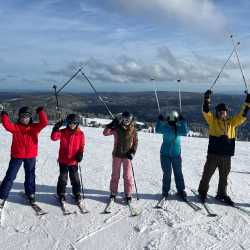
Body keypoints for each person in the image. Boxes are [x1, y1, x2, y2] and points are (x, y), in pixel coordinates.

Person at [198, 90, 250, 205]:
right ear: (217, 113)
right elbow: (206, 111)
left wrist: (248, 101)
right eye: (220, 111)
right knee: (207, 174)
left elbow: (242, 115)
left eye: (224, 111)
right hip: (213, 154)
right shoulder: (213, 121)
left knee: (224, 177)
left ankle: (221, 194)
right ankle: (202, 191)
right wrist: (206, 98)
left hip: (226, 156)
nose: (222, 113)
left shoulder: (232, 123)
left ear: (227, 113)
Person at [0, 106, 48, 203]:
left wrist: (40, 111)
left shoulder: (34, 128)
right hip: (17, 156)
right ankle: (2, 195)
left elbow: (44, 123)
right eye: (22, 116)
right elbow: (6, 124)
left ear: (30, 117)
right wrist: (4, 114)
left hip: (30, 156)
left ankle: (30, 194)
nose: (24, 118)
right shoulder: (16, 127)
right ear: (19, 117)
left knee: (30, 176)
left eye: (27, 116)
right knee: (10, 175)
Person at [103, 111, 138, 202]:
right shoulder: (117, 128)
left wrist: (132, 152)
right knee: (115, 175)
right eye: (125, 119)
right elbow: (105, 133)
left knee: (127, 176)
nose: (127, 121)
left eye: (128, 120)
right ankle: (113, 193)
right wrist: (111, 124)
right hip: (117, 155)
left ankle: (128, 193)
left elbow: (135, 142)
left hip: (127, 156)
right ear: (122, 119)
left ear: (131, 120)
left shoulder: (133, 129)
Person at [51, 114, 85, 204]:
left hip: (74, 161)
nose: (72, 124)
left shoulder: (80, 134)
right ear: (67, 123)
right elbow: (54, 138)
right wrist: (56, 128)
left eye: (74, 123)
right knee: (63, 178)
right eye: (70, 122)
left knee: (75, 178)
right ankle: (61, 194)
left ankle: (77, 193)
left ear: (77, 123)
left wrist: (80, 154)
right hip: (63, 160)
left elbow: (82, 146)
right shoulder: (62, 132)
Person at [156, 110, 189, 199]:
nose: (171, 122)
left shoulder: (178, 128)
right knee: (167, 173)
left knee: (178, 172)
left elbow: (185, 131)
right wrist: (159, 121)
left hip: (176, 155)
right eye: (170, 120)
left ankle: (181, 190)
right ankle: (165, 191)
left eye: (173, 120)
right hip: (165, 155)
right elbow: (157, 129)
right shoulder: (165, 127)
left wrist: (183, 121)